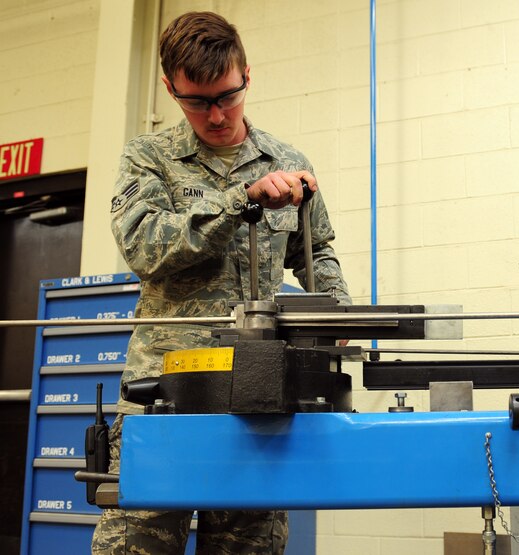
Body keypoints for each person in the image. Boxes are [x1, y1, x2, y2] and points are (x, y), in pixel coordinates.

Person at [92, 11, 351, 554]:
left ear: (246, 76)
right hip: (165, 398)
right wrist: (240, 200)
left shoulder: (288, 161)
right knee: (136, 543)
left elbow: (317, 249)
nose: (216, 115)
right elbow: (144, 247)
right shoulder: (149, 160)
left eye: (227, 97)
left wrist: (337, 314)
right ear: (170, 89)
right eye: (197, 102)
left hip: (256, 398)